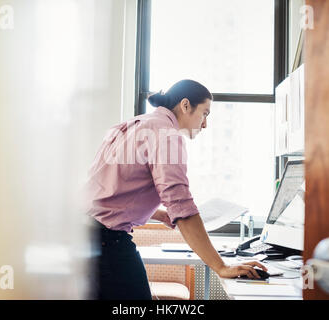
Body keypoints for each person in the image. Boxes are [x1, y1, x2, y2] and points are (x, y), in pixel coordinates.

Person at [85, 79, 267, 300]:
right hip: (107, 241)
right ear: (185, 105)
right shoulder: (166, 134)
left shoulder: (130, 126)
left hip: (85, 237)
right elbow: (180, 204)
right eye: (205, 113)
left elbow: (105, 193)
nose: (205, 124)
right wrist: (221, 266)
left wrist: (160, 214)